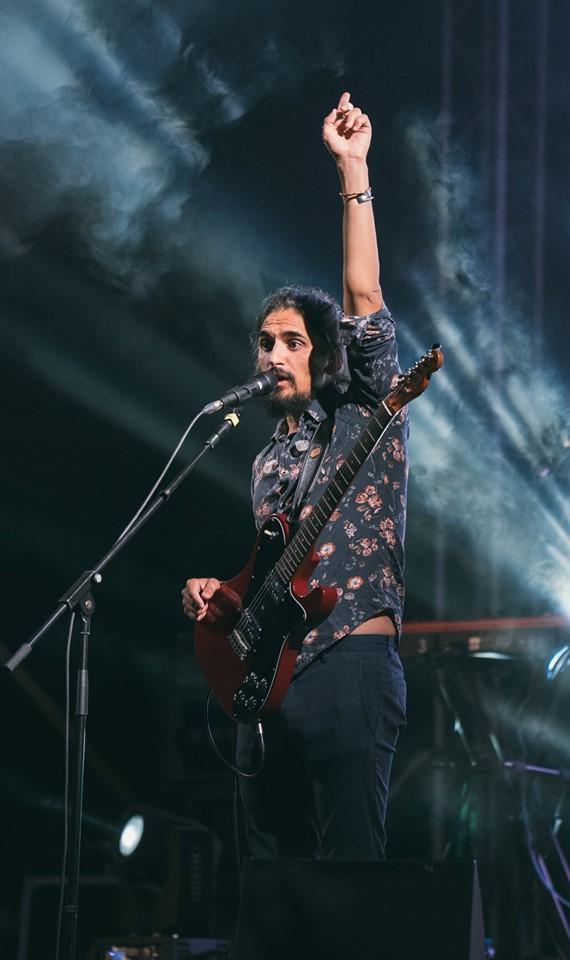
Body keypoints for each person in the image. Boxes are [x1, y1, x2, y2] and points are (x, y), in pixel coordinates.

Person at [182, 92, 408, 859]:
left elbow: (364, 297)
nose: (273, 353)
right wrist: (220, 598)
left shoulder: (365, 408)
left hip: (350, 659)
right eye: (265, 340)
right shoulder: (265, 461)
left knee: (351, 871)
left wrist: (353, 171)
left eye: (292, 341)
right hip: (268, 679)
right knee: (277, 885)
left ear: (327, 354)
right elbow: (270, 576)